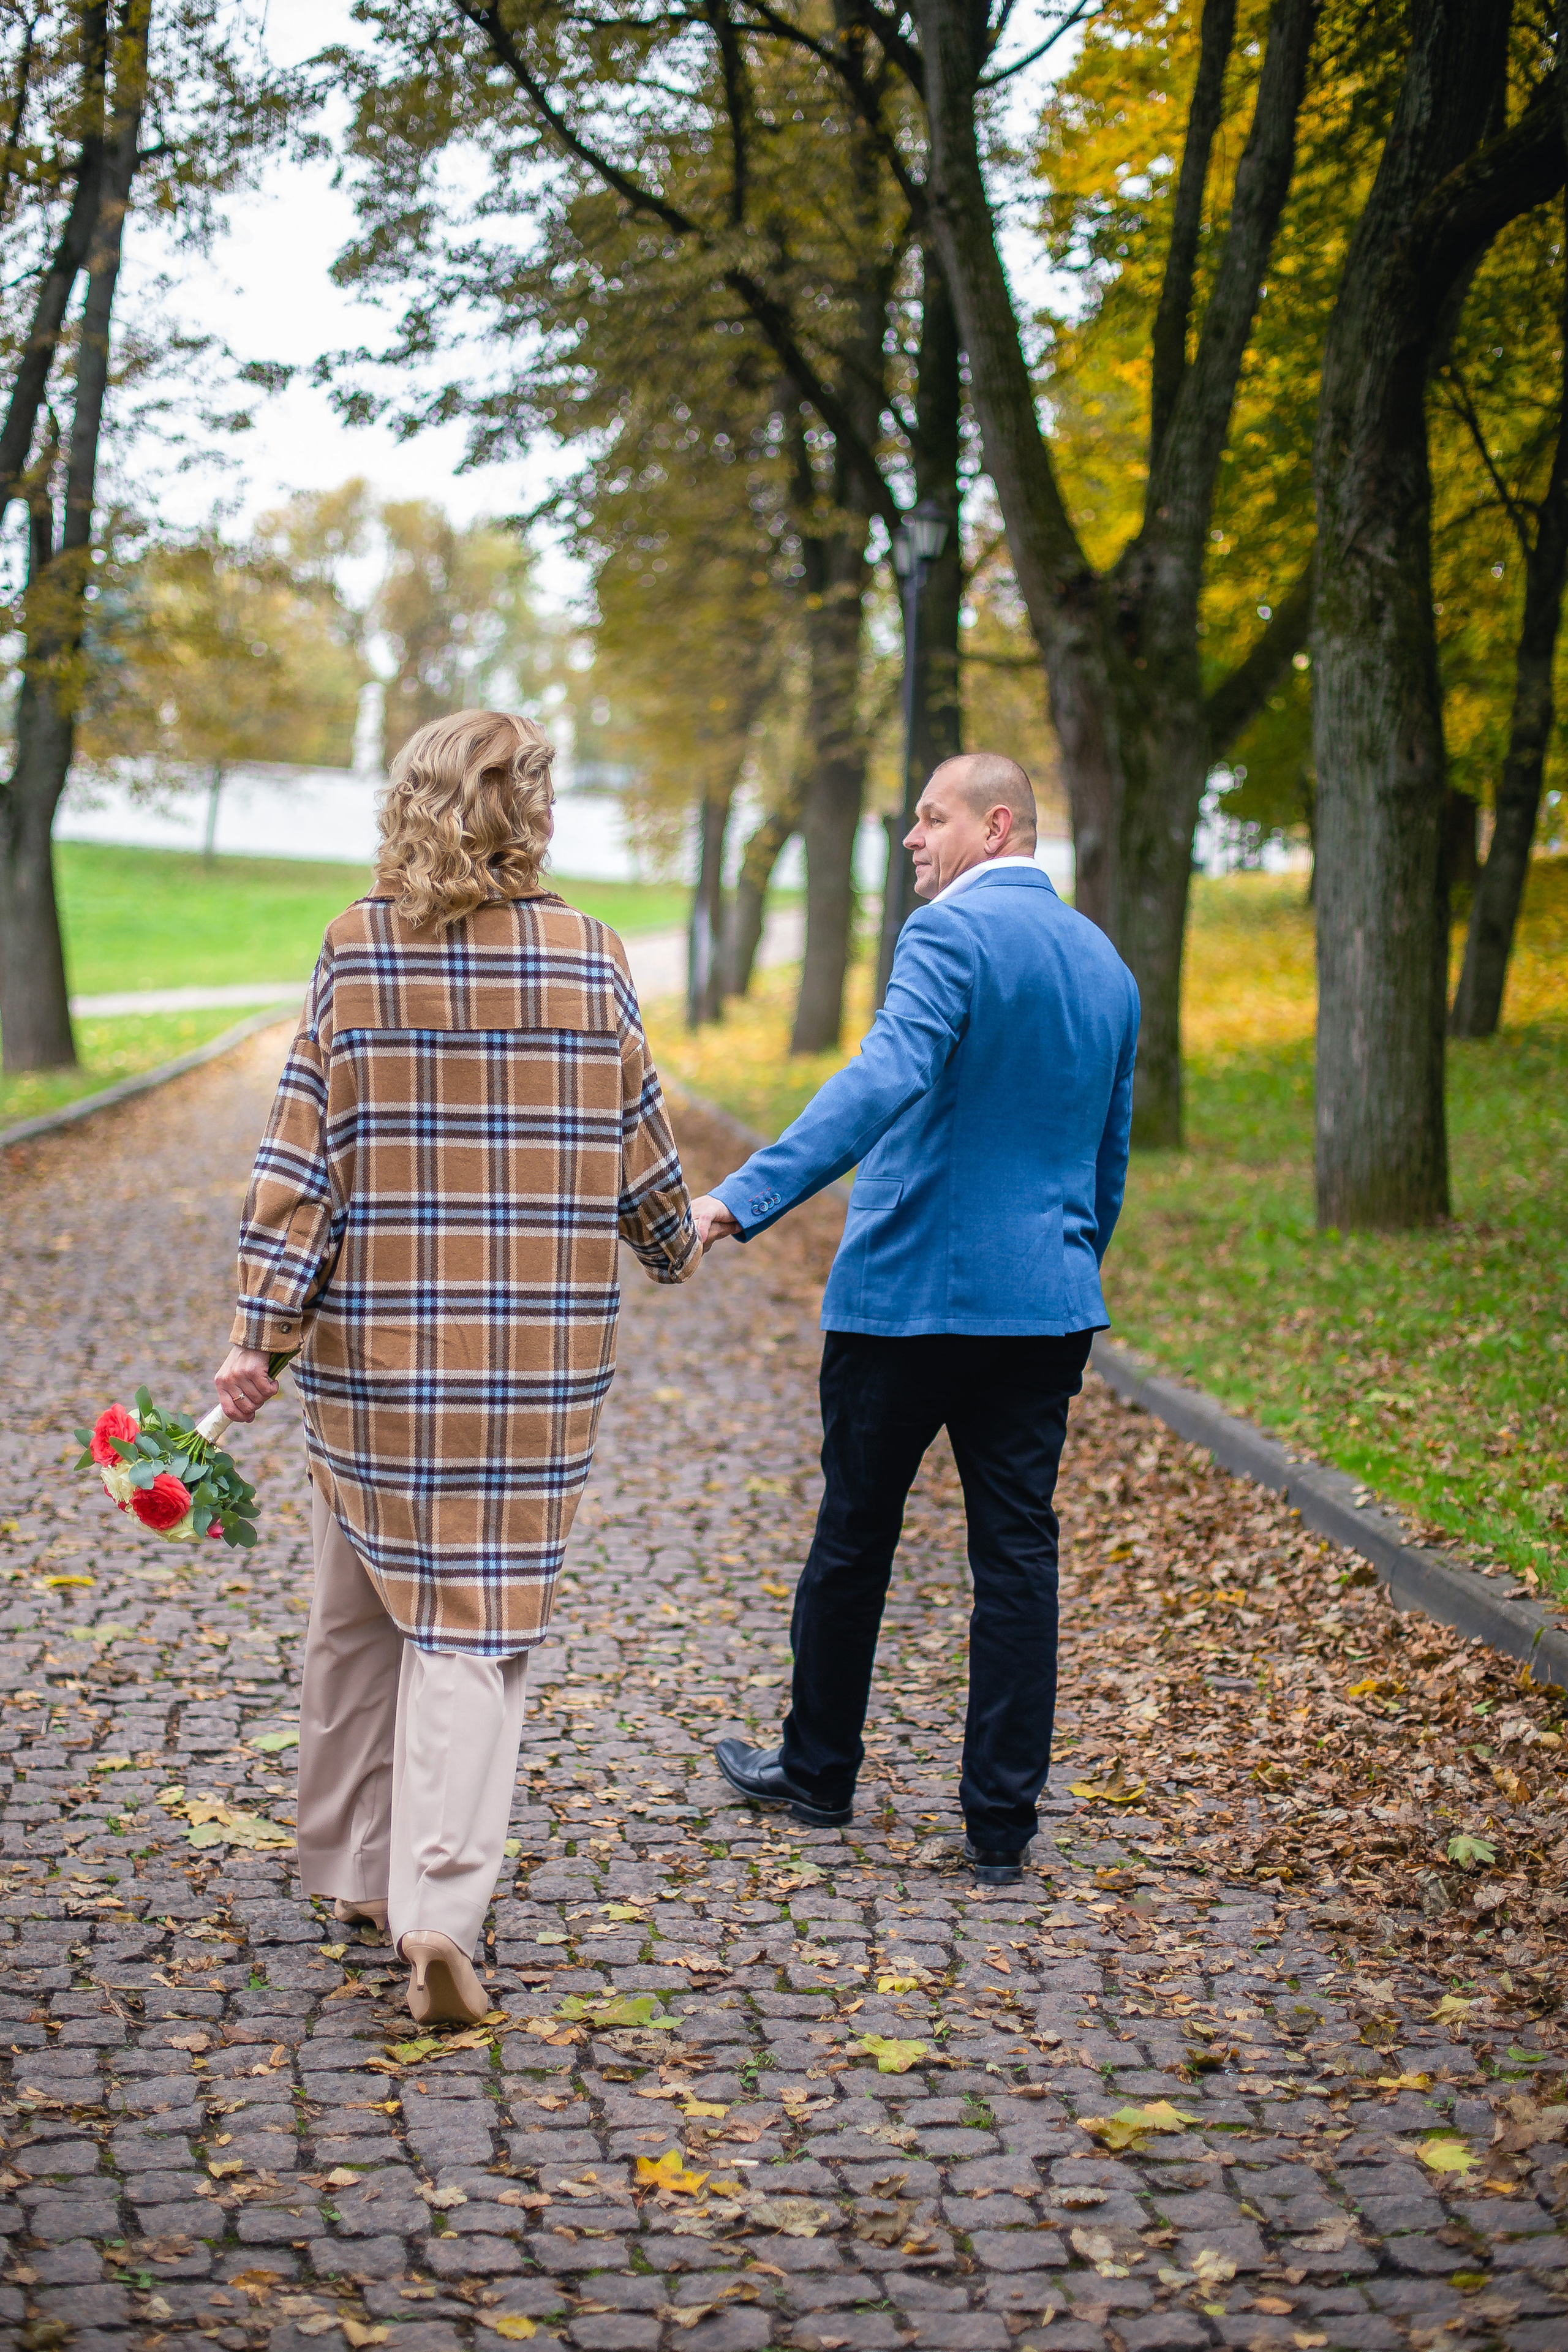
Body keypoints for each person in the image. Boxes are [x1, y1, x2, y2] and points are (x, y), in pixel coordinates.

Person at [213, 709, 701, 2020]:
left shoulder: (356, 949)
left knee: (362, 1599)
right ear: (529, 810)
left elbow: (299, 1169)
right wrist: (678, 1237)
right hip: (533, 1370)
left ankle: (354, 1866)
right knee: (474, 1626)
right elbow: (646, 1165)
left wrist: (260, 1332)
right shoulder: (592, 957)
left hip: (375, 1359)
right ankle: (435, 1908)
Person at [691, 752, 1138, 1886]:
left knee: (854, 1537)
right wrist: (1065, 1266)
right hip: (1045, 1309)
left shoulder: (947, 935)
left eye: (933, 818)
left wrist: (740, 1199)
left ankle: (818, 1774)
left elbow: (883, 1075)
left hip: (907, 1302)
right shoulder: (1106, 965)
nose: (912, 838)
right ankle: (1001, 1827)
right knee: (1018, 1559)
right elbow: (1109, 1160)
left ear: (998, 826)